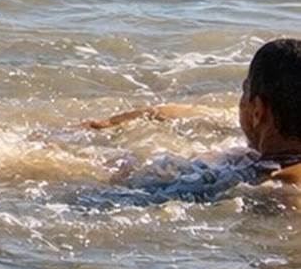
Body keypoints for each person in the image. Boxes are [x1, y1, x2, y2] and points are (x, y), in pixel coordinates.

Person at [84, 38, 301, 184]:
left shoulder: (277, 186)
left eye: (244, 91)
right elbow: (198, 114)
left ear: (258, 111)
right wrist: (114, 121)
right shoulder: (260, 157)